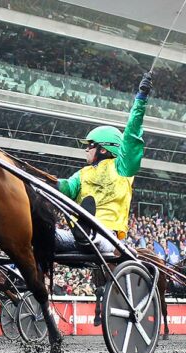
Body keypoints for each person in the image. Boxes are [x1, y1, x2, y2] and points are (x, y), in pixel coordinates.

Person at [55, 72, 152, 253]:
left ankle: (87, 233)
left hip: (107, 237)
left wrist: (140, 100)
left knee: (95, 239)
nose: (86, 149)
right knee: (41, 233)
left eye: (90, 145)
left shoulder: (122, 168)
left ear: (104, 149)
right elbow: (67, 188)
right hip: (75, 236)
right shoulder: (83, 174)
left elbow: (131, 136)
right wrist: (50, 183)